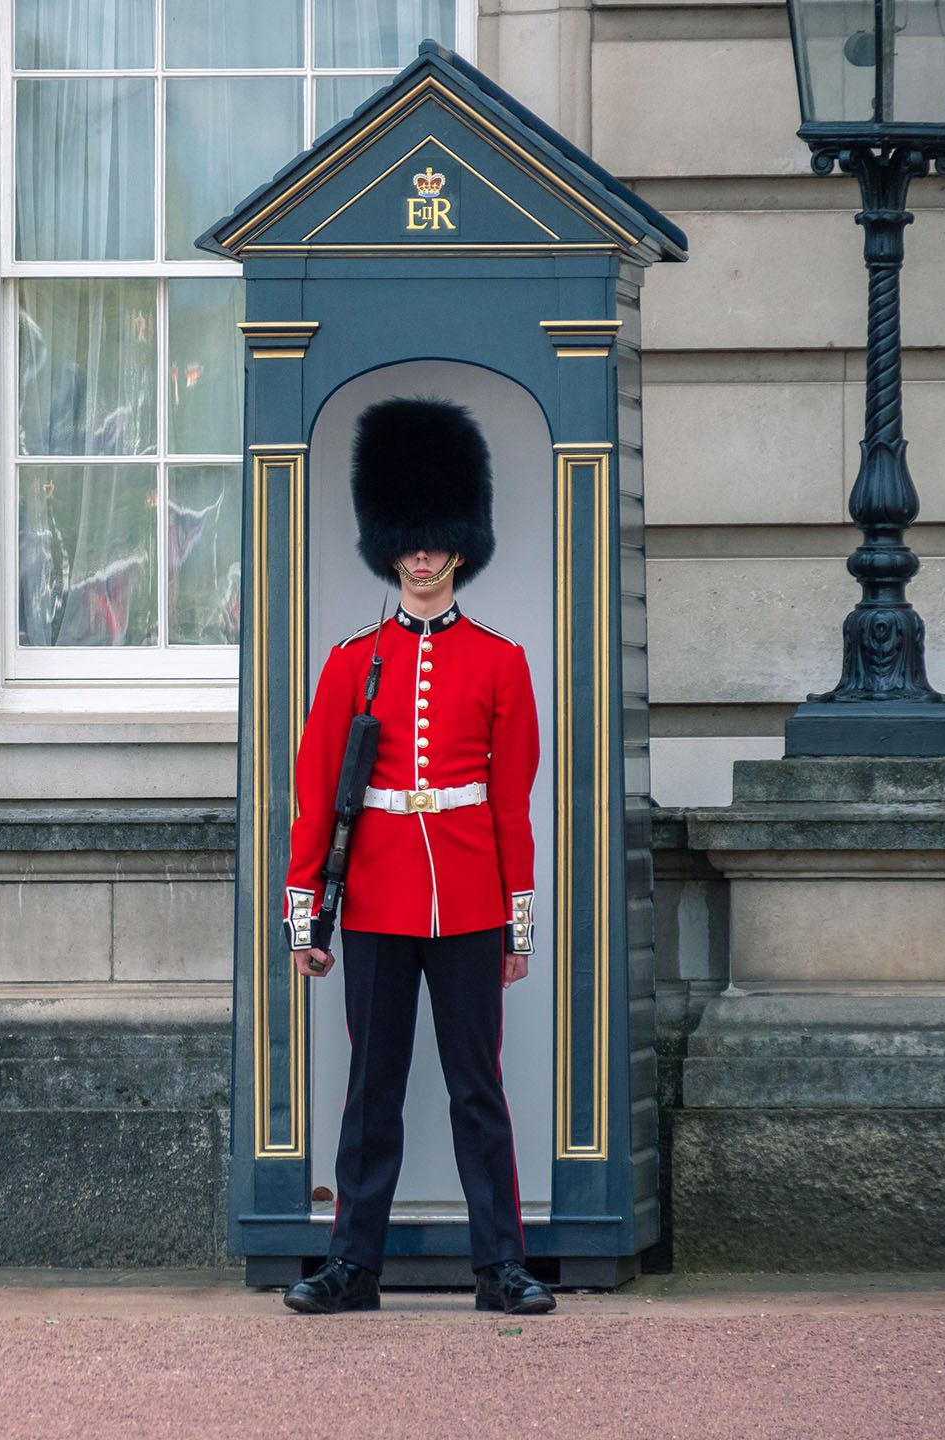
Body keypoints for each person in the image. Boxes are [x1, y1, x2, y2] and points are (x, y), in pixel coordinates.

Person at [280, 395, 554, 1318]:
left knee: (479, 1091)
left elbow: (512, 804)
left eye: (436, 542)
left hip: (472, 901)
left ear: (458, 546)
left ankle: (500, 1266)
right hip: (375, 902)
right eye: (410, 543)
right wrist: (306, 916)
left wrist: (519, 919)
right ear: (390, 545)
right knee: (372, 1093)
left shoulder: (500, 661)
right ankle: (353, 1267)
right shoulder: (351, 661)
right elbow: (316, 799)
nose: (423, 557)